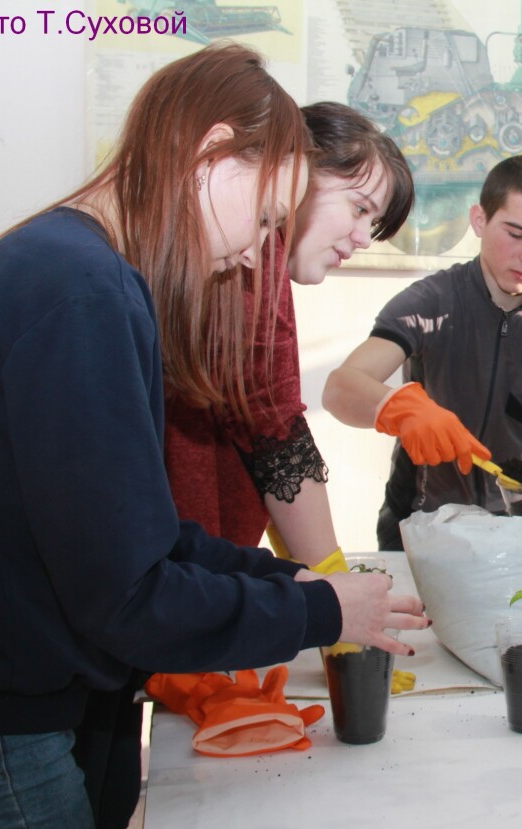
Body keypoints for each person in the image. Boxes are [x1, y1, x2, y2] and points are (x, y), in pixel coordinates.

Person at [0, 44, 426, 829]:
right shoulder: (84, 291)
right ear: (212, 153)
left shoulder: (73, 269)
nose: (253, 255)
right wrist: (317, 606)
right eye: (268, 220)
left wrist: (299, 583)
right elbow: (129, 596)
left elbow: (144, 536)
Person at [164, 101, 414, 568]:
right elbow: (278, 434)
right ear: (297, 176)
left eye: (374, 224)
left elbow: (262, 433)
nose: (364, 238)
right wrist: (330, 581)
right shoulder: (258, 262)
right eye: (359, 208)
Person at [324, 155, 522, 550]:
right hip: (417, 524)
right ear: (479, 220)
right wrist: (401, 408)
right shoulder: (428, 302)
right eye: (517, 233)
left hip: (511, 527)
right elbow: (340, 388)